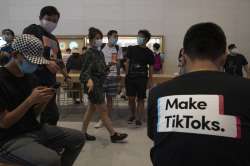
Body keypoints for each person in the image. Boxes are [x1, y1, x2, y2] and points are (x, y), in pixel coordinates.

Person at [148, 22, 250, 166]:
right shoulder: (246, 90)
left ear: (183, 55)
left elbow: (157, 136)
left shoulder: (158, 93)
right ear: (224, 56)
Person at [0, 34, 85, 166]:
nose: (34, 65)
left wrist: (43, 101)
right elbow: (4, 123)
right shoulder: (2, 80)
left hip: (32, 129)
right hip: (8, 137)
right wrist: (30, 101)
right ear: (16, 55)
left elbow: (33, 114)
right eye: (31, 61)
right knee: (51, 160)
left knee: (78, 138)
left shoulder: (30, 77)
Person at [23, 6, 70, 125]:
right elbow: (27, 52)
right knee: (35, 114)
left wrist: (66, 75)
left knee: (51, 115)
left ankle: (48, 138)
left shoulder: (53, 39)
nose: (51, 23)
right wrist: (47, 62)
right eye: (48, 19)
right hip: (34, 81)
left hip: (50, 82)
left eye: (55, 21)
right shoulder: (33, 30)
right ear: (40, 18)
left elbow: (58, 60)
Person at [80, 27, 128, 143]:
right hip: (94, 87)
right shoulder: (89, 54)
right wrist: (89, 80)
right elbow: (84, 73)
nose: (99, 40)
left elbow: (101, 71)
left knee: (91, 109)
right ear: (90, 40)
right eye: (97, 38)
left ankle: (82, 134)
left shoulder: (99, 53)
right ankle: (113, 134)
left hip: (99, 85)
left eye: (100, 38)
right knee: (103, 111)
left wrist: (109, 65)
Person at [94, 30, 123, 128]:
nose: (116, 38)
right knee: (101, 99)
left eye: (117, 37)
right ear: (109, 36)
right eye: (114, 36)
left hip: (113, 76)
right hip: (102, 76)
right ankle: (101, 119)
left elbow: (118, 63)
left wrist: (118, 75)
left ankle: (107, 118)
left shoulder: (118, 48)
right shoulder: (101, 47)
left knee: (110, 98)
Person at [125, 29, 154, 126]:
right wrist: (126, 74)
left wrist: (150, 80)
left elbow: (151, 67)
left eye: (140, 36)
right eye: (138, 36)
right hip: (130, 77)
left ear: (146, 39)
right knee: (131, 98)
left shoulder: (149, 52)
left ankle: (138, 118)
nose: (138, 38)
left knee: (141, 99)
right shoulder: (131, 49)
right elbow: (127, 62)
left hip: (142, 78)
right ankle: (132, 114)